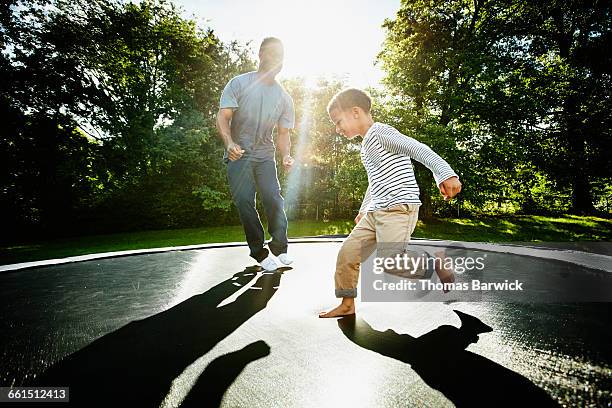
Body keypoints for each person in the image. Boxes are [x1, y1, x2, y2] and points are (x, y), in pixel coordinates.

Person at [319, 88, 462, 318]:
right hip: (376, 212)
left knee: (392, 263)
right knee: (348, 253)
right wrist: (364, 208)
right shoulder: (366, 145)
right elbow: (374, 181)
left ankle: (434, 262)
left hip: (398, 208)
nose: (338, 129)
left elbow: (417, 148)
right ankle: (347, 304)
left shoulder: (381, 133)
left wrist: (444, 173)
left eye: (338, 122)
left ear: (355, 112)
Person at [216, 37, 295, 271]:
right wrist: (229, 142)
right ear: (261, 55)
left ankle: (280, 247)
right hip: (238, 154)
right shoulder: (239, 83)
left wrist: (286, 156)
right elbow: (223, 116)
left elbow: (283, 133)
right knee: (244, 201)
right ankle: (259, 252)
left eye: (279, 56)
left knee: (273, 197)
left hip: (265, 156)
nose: (275, 59)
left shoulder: (284, 98)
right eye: (271, 54)